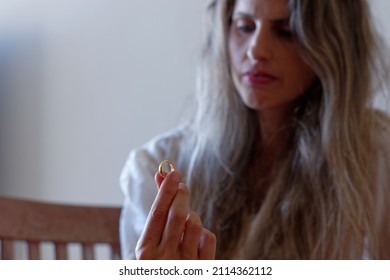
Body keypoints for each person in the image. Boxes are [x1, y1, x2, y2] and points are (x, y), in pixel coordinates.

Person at [119, 0, 390, 259]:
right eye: (245, 26)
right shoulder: (158, 166)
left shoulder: (378, 159)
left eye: (286, 31)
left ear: (333, 44)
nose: (256, 50)